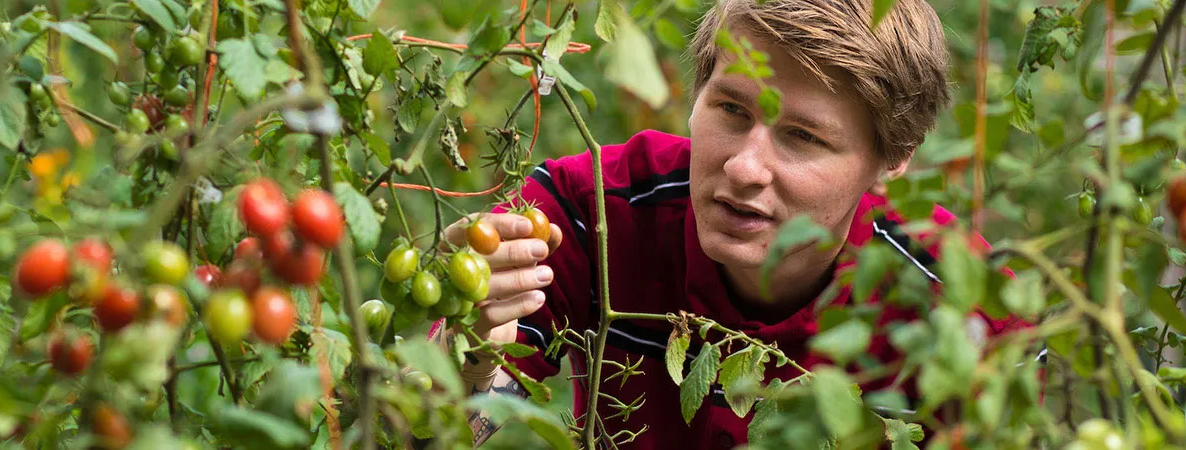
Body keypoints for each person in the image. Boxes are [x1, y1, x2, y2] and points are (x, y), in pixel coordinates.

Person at [431, 0, 1030, 447]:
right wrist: (470, 351)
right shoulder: (590, 211)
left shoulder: (964, 306)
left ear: (891, 160)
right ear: (696, 97)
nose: (744, 167)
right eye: (731, 109)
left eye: (803, 137)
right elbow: (413, 433)